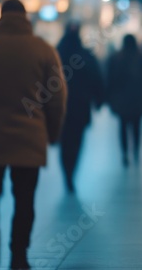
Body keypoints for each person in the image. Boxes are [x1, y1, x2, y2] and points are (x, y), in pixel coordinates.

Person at [0, 0, 67, 270]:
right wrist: (53, 133)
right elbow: (57, 98)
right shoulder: (43, 50)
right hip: (29, 142)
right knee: (25, 202)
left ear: (1, 17)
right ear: (26, 18)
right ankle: (19, 255)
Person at [57, 22, 104, 192]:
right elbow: (96, 78)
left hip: (60, 108)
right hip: (80, 107)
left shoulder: (56, 53)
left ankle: (66, 172)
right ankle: (71, 173)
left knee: (64, 142)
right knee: (76, 141)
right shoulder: (85, 55)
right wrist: (98, 100)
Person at [107, 34, 142, 165]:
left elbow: (109, 80)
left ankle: (124, 153)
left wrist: (109, 98)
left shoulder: (116, 59)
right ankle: (136, 152)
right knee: (136, 126)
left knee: (122, 126)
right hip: (138, 100)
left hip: (121, 101)